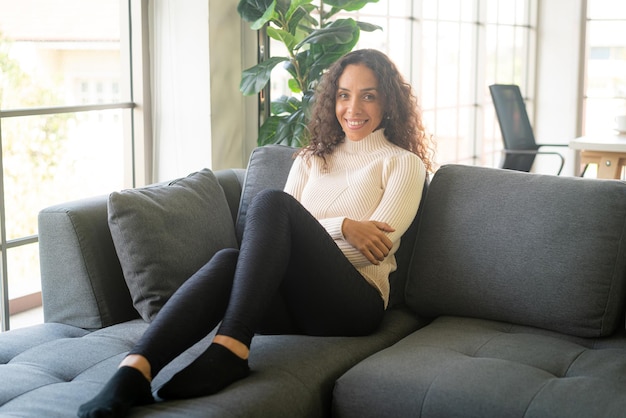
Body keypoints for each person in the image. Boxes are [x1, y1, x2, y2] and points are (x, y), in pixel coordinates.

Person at [77, 48, 434, 418]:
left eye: (368, 95)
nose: (353, 108)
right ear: (332, 100)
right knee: (230, 259)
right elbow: (273, 242)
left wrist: (317, 233)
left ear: (388, 101)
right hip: (290, 305)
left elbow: (372, 250)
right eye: (344, 94)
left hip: (352, 307)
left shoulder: (403, 164)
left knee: (271, 204)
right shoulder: (312, 159)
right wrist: (343, 226)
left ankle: (230, 348)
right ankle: (133, 371)